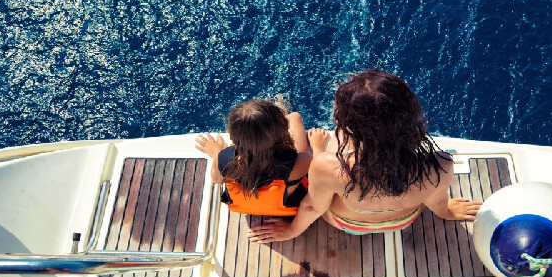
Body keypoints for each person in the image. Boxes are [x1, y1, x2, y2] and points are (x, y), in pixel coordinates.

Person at [247, 69, 482, 241]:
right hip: (404, 221)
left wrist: (291, 231)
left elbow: (312, 208)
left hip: (349, 224)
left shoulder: (327, 166)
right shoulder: (440, 163)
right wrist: (448, 212)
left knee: (336, 139)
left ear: (349, 124)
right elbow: (436, 202)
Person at [195, 98, 325, 216]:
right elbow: (320, 177)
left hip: (245, 208)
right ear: (284, 130)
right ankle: (279, 112)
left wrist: (217, 152)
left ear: (233, 136)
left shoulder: (223, 159)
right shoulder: (299, 162)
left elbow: (217, 179)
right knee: (295, 117)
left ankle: (270, 118)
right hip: (284, 207)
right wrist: (317, 147)